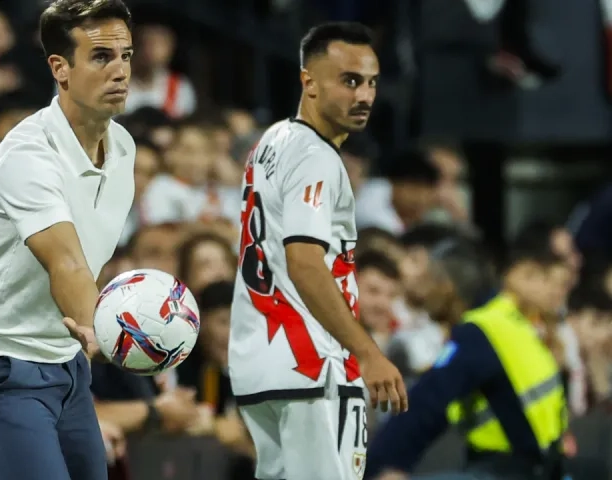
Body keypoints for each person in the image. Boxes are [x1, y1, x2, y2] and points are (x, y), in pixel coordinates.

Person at [0, 1, 136, 479]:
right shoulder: (27, 157)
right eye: (102, 57)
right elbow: (64, 261)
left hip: (64, 365)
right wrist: (101, 327)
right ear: (60, 69)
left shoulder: (123, 147)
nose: (121, 70)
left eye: (126, 56)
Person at [228, 22, 407, 480]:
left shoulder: (271, 140)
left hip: (259, 362)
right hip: (311, 366)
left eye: (370, 82)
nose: (364, 95)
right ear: (308, 80)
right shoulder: (317, 158)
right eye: (349, 81)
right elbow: (305, 263)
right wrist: (367, 352)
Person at [366, 247, 570, 480]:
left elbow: (426, 405)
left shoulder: (479, 333)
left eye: (428, 281)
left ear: (446, 287)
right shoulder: (505, 318)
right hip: (546, 467)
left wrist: (376, 467)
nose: (422, 293)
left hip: (511, 471)